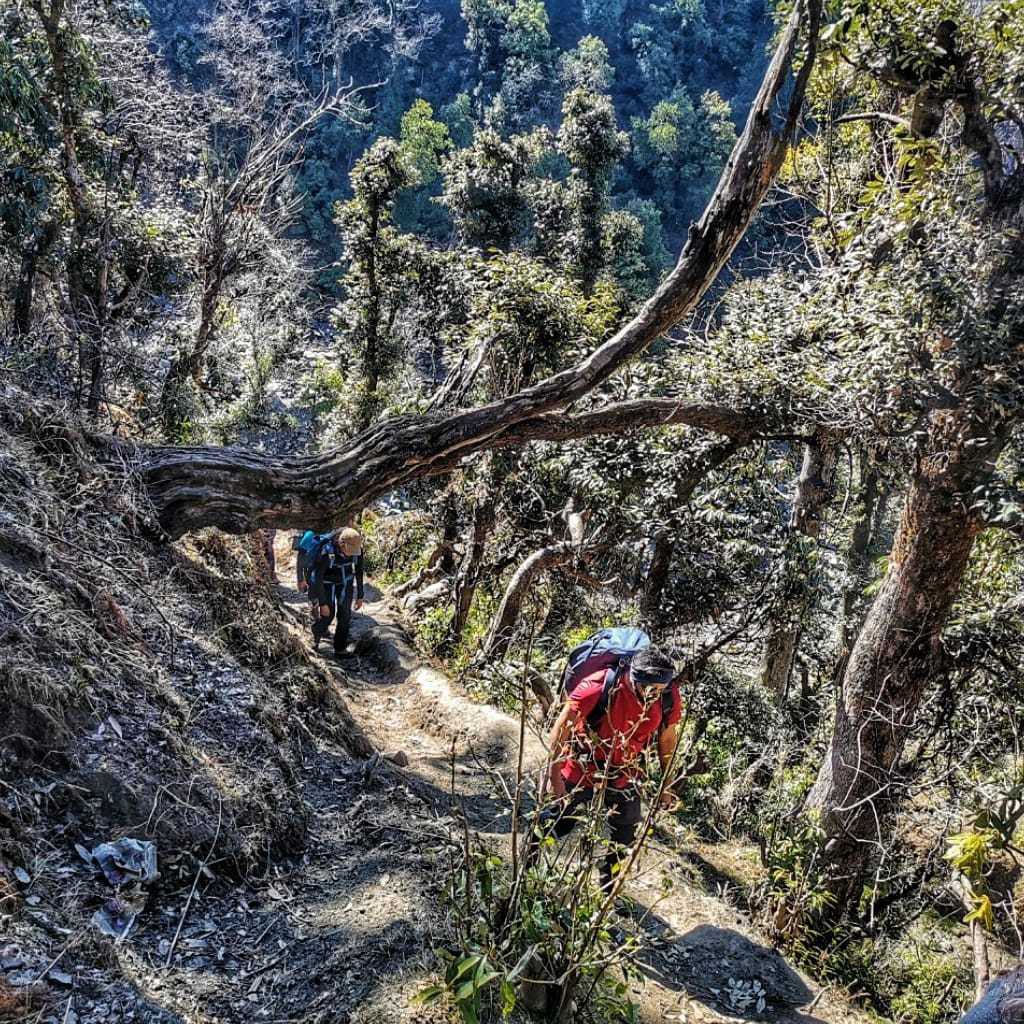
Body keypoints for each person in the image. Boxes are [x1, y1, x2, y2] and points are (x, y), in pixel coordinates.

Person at [528, 645, 681, 893]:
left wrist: (667, 784)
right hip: (581, 767)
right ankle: (526, 867)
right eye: (648, 689)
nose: (653, 695)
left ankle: (606, 894)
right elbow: (561, 728)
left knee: (625, 835)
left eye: (660, 690)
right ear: (633, 677)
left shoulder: (668, 697)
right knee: (560, 820)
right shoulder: (598, 686)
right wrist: (553, 777)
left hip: (625, 774)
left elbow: (667, 739)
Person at [309, 527, 365, 657]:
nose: (351, 554)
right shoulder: (327, 552)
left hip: (346, 583)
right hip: (326, 584)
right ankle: (316, 634)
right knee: (328, 614)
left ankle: (340, 648)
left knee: (345, 615)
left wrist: (360, 595)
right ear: (341, 544)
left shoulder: (357, 551)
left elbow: (359, 571)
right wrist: (322, 603)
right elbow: (318, 578)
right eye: (349, 550)